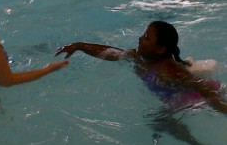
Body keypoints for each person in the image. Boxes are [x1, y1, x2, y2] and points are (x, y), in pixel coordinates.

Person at [55, 21, 227, 113]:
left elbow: (202, 88)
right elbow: (110, 53)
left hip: (190, 98)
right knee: (159, 122)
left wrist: (221, 108)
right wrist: (79, 46)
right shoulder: (138, 57)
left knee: (160, 121)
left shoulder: (169, 70)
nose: (140, 39)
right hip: (171, 98)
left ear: (160, 49)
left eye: (146, 37)